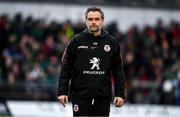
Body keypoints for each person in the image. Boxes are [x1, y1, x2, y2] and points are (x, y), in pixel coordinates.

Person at [57, 7, 125, 117]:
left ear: (102, 21)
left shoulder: (112, 42)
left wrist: (120, 94)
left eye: (97, 19)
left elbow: (118, 70)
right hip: (80, 96)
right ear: (86, 21)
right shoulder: (76, 41)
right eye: (90, 19)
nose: (93, 22)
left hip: (102, 97)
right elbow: (66, 67)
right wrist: (62, 91)